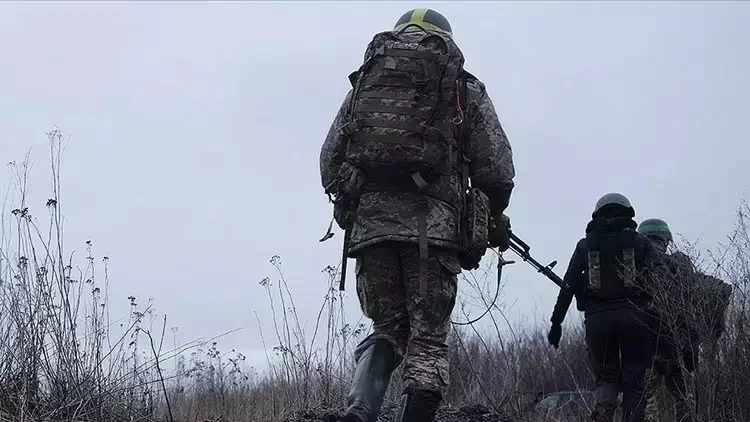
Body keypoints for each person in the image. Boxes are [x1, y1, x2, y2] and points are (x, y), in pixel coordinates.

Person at [319, 8, 516, 422]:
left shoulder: (365, 84)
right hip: (433, 232)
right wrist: (493, 216)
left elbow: (329, 160)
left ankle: (360, 410)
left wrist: (353, 207)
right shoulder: (463, 89)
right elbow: (496, 170)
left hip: (371, 230)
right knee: (427, 340)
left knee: (387, 330)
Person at [546, 193, 665, 422]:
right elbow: (660, 281)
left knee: (606, 377)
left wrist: (556, 323)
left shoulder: (585, 245)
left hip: (598, 322)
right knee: (634, 380)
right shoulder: (641, 243)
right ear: (628, 214)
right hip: (635, 319)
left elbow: (568, 285)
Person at [638, 218, 732, 422]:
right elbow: (718, 291)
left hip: (647, 350)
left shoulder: (637, 270)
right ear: (665, 240)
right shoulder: (682, 268)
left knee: (646, 403)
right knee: (685, 403)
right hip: (680, 350)